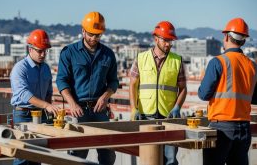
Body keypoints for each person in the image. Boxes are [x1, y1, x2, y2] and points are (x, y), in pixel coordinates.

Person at [56, 11, 118, 165]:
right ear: (83, 31)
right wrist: (72, 103)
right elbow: (62, 81)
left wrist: (105, 96)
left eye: (98, 35)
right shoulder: (69, 53)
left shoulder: (108, 55)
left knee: (108, 154)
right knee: (77, 154)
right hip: (79, 110)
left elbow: (113, 82)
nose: (94, 38)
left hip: (100, 111)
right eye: (91, 34)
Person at [198, 18, 257, 165]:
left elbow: (203, 94)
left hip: (221, 129)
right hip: (244, 129)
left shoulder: (218, 62)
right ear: (243, 40)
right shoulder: (253, 66)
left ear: (226, 37)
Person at [129, 21, 187, 165]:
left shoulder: (177, 61)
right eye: (166, 40)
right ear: (156, 39)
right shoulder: (141, 58)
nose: (168, 44)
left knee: (170, 160)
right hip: (146, 117)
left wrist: (177, 107)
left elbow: (183, 88)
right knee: (149, 159)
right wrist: (133, 108)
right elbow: (133, 85)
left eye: (171, 41)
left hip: (169, 118)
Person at [10, 29, 60, 165]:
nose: (43, 54)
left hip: (41, 115)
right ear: (30, 49)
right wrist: (47, 105)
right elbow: (24, 94)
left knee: (37, 155)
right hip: (23, 114)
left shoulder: (45, 68)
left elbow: (48, 92)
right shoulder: (20, 69)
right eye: (40, 51)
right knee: (22, 154)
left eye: (45, 51)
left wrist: (50, 112)